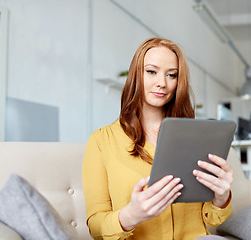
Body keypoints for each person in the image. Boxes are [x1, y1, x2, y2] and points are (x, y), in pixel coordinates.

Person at [82, 37, 234, 240]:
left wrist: (221, 198)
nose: (162, 83)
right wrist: (131, 215)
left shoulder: (196, 137)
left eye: (172, 75)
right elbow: (95, 227)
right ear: (136, 74)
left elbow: (212, 219)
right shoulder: (101, 141)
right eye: (151, 71)